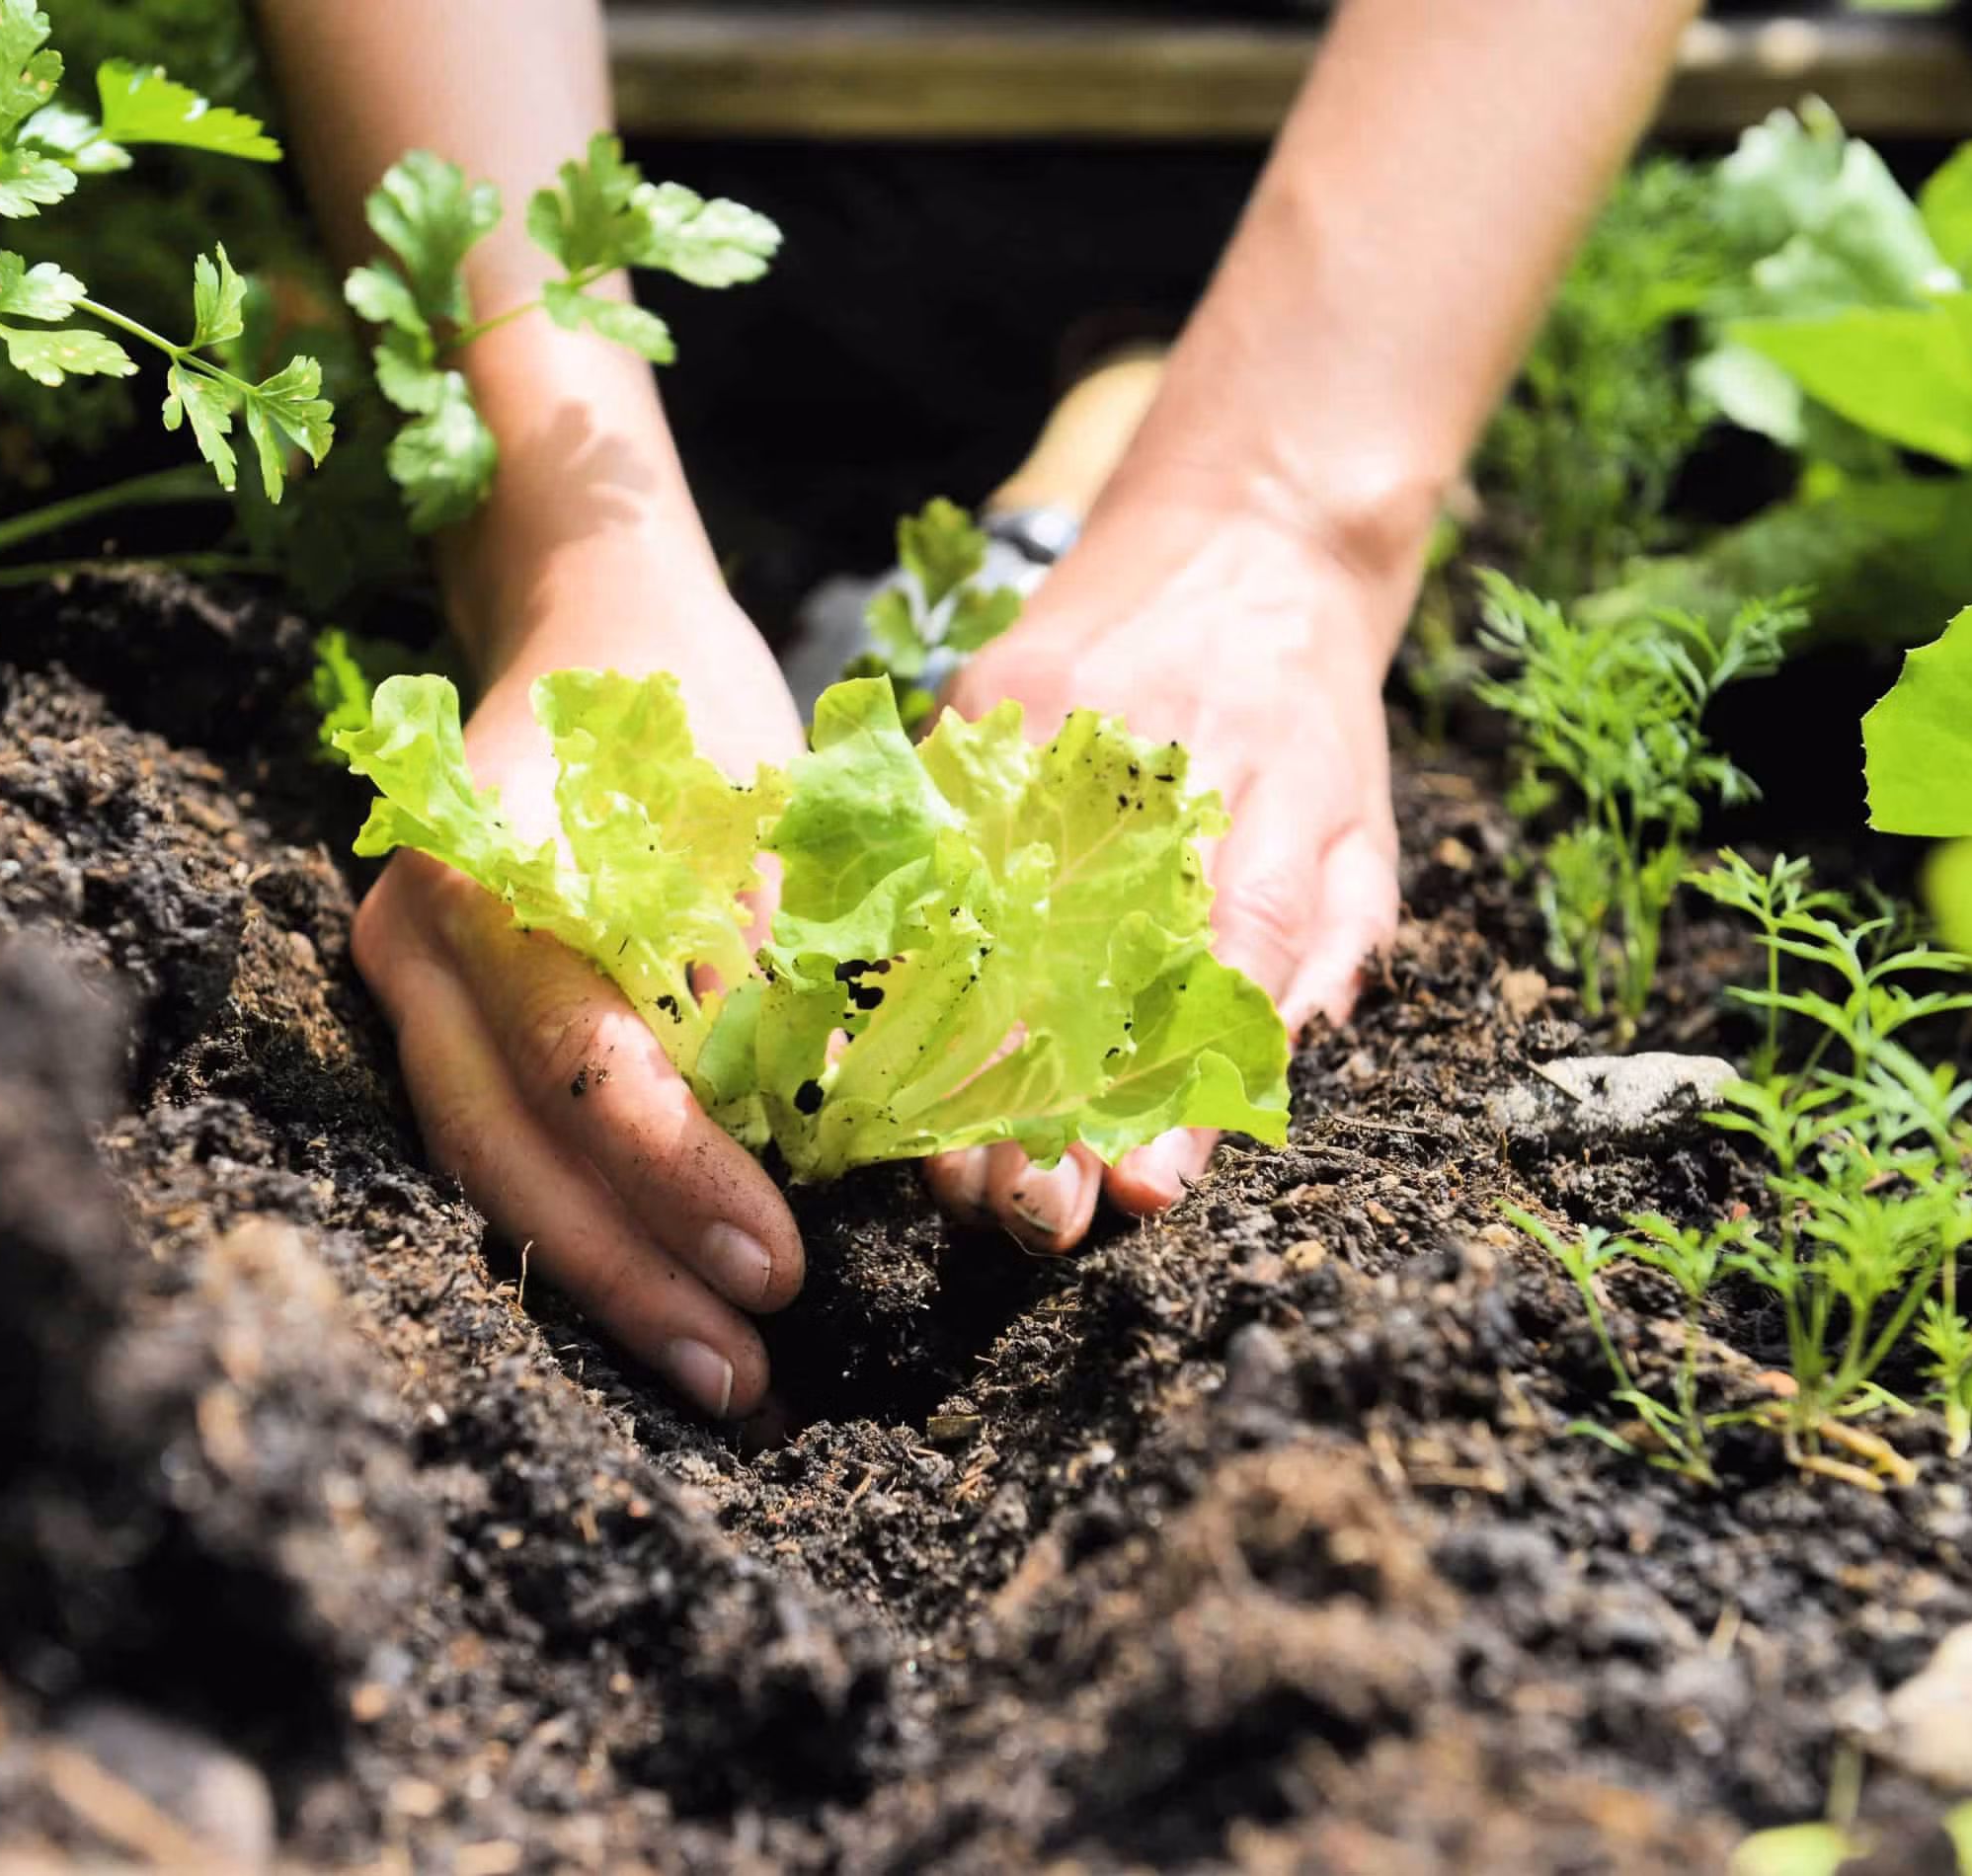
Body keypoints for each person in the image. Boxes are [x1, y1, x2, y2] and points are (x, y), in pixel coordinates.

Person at [252, 0, 1702, 1419]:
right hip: (681, 155)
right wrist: (567, 552)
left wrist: (1287, 509)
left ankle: (1117, 425)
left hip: (1392, 159)